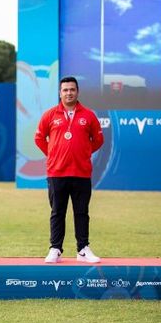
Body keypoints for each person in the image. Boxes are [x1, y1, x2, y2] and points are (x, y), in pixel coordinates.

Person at [35, 76, 104, 263]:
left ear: (77, 92)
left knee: (81, 212)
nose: (69, 93)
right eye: (65, 90)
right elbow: (39, 139)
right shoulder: (50, 115)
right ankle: (55, 249)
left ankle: (83, 249)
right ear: (60, 93)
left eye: (72, 89)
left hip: (81, 172)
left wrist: (83, 152)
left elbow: (98, 140)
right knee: (57, 212)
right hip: (57, 173)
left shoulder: (88, 115)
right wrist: (53, 154)